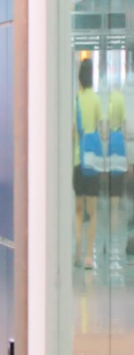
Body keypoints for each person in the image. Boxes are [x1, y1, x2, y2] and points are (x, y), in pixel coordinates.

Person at [79, 59, 104, 270]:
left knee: (78, 210)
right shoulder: (96, 99)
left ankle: (77, 252)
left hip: (78, 159)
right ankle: (89, 256)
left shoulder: (76, 99)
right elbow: (100, 129)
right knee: (92, 211)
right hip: (93, 159)